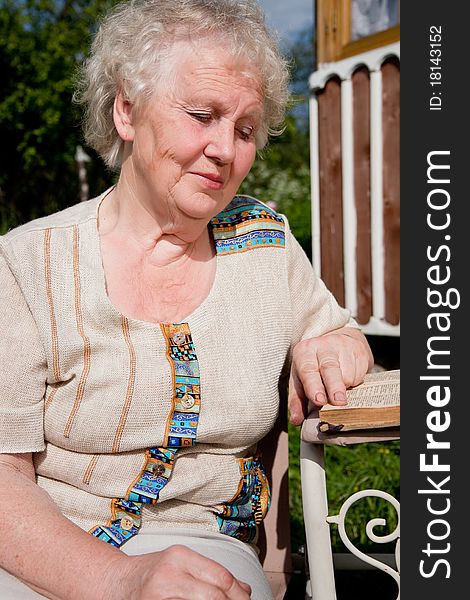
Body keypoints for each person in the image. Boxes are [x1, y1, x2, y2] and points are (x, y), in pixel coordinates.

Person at [0, 1, 373, 598]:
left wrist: (333, 346)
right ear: (126, 110)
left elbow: (342, 337)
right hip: (46, 552)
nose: (226, 149)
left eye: (246, 130)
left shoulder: (264, 246)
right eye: (202, 115)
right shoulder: (26, 264)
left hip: (207, 553)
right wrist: (120, 581)